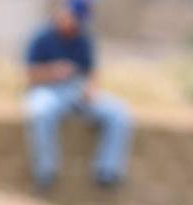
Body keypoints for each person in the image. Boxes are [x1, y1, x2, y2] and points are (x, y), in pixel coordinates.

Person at [23, 0, 133, 189]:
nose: (75, 24)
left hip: (76, 91)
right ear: (63, 12)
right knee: (40, 112)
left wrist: (90, 89)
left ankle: (107, 171)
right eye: (74, 18)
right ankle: (46, 172)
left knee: (119, 113)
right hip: (48, 90)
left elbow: (92, 74)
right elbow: (29, 76)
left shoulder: (83, 39)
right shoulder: (42, 36)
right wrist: (53, 72)